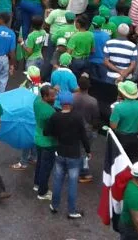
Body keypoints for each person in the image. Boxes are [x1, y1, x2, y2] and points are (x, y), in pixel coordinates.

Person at [46, 90, 90, 219]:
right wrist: (88, 150)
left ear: (60, 103)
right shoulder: (77, 117)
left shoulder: (55, 116)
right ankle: (71, 210)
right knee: (72, 183)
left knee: (58, 180)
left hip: (60, 152)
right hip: (74, 155)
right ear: (71, 103)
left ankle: (54, 205)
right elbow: (83, 136)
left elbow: (47, 132)